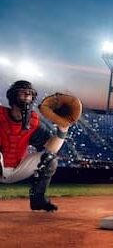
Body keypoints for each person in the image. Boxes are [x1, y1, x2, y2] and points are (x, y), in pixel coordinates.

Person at [0, 80, 69, 211]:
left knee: (50, 159)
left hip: (16, 168)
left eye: (29, 94)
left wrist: (63, 130)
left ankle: (38, 200)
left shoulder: (33, 122)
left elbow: (51, 148)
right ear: (13, 96)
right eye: (23, 93)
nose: (27, 96)